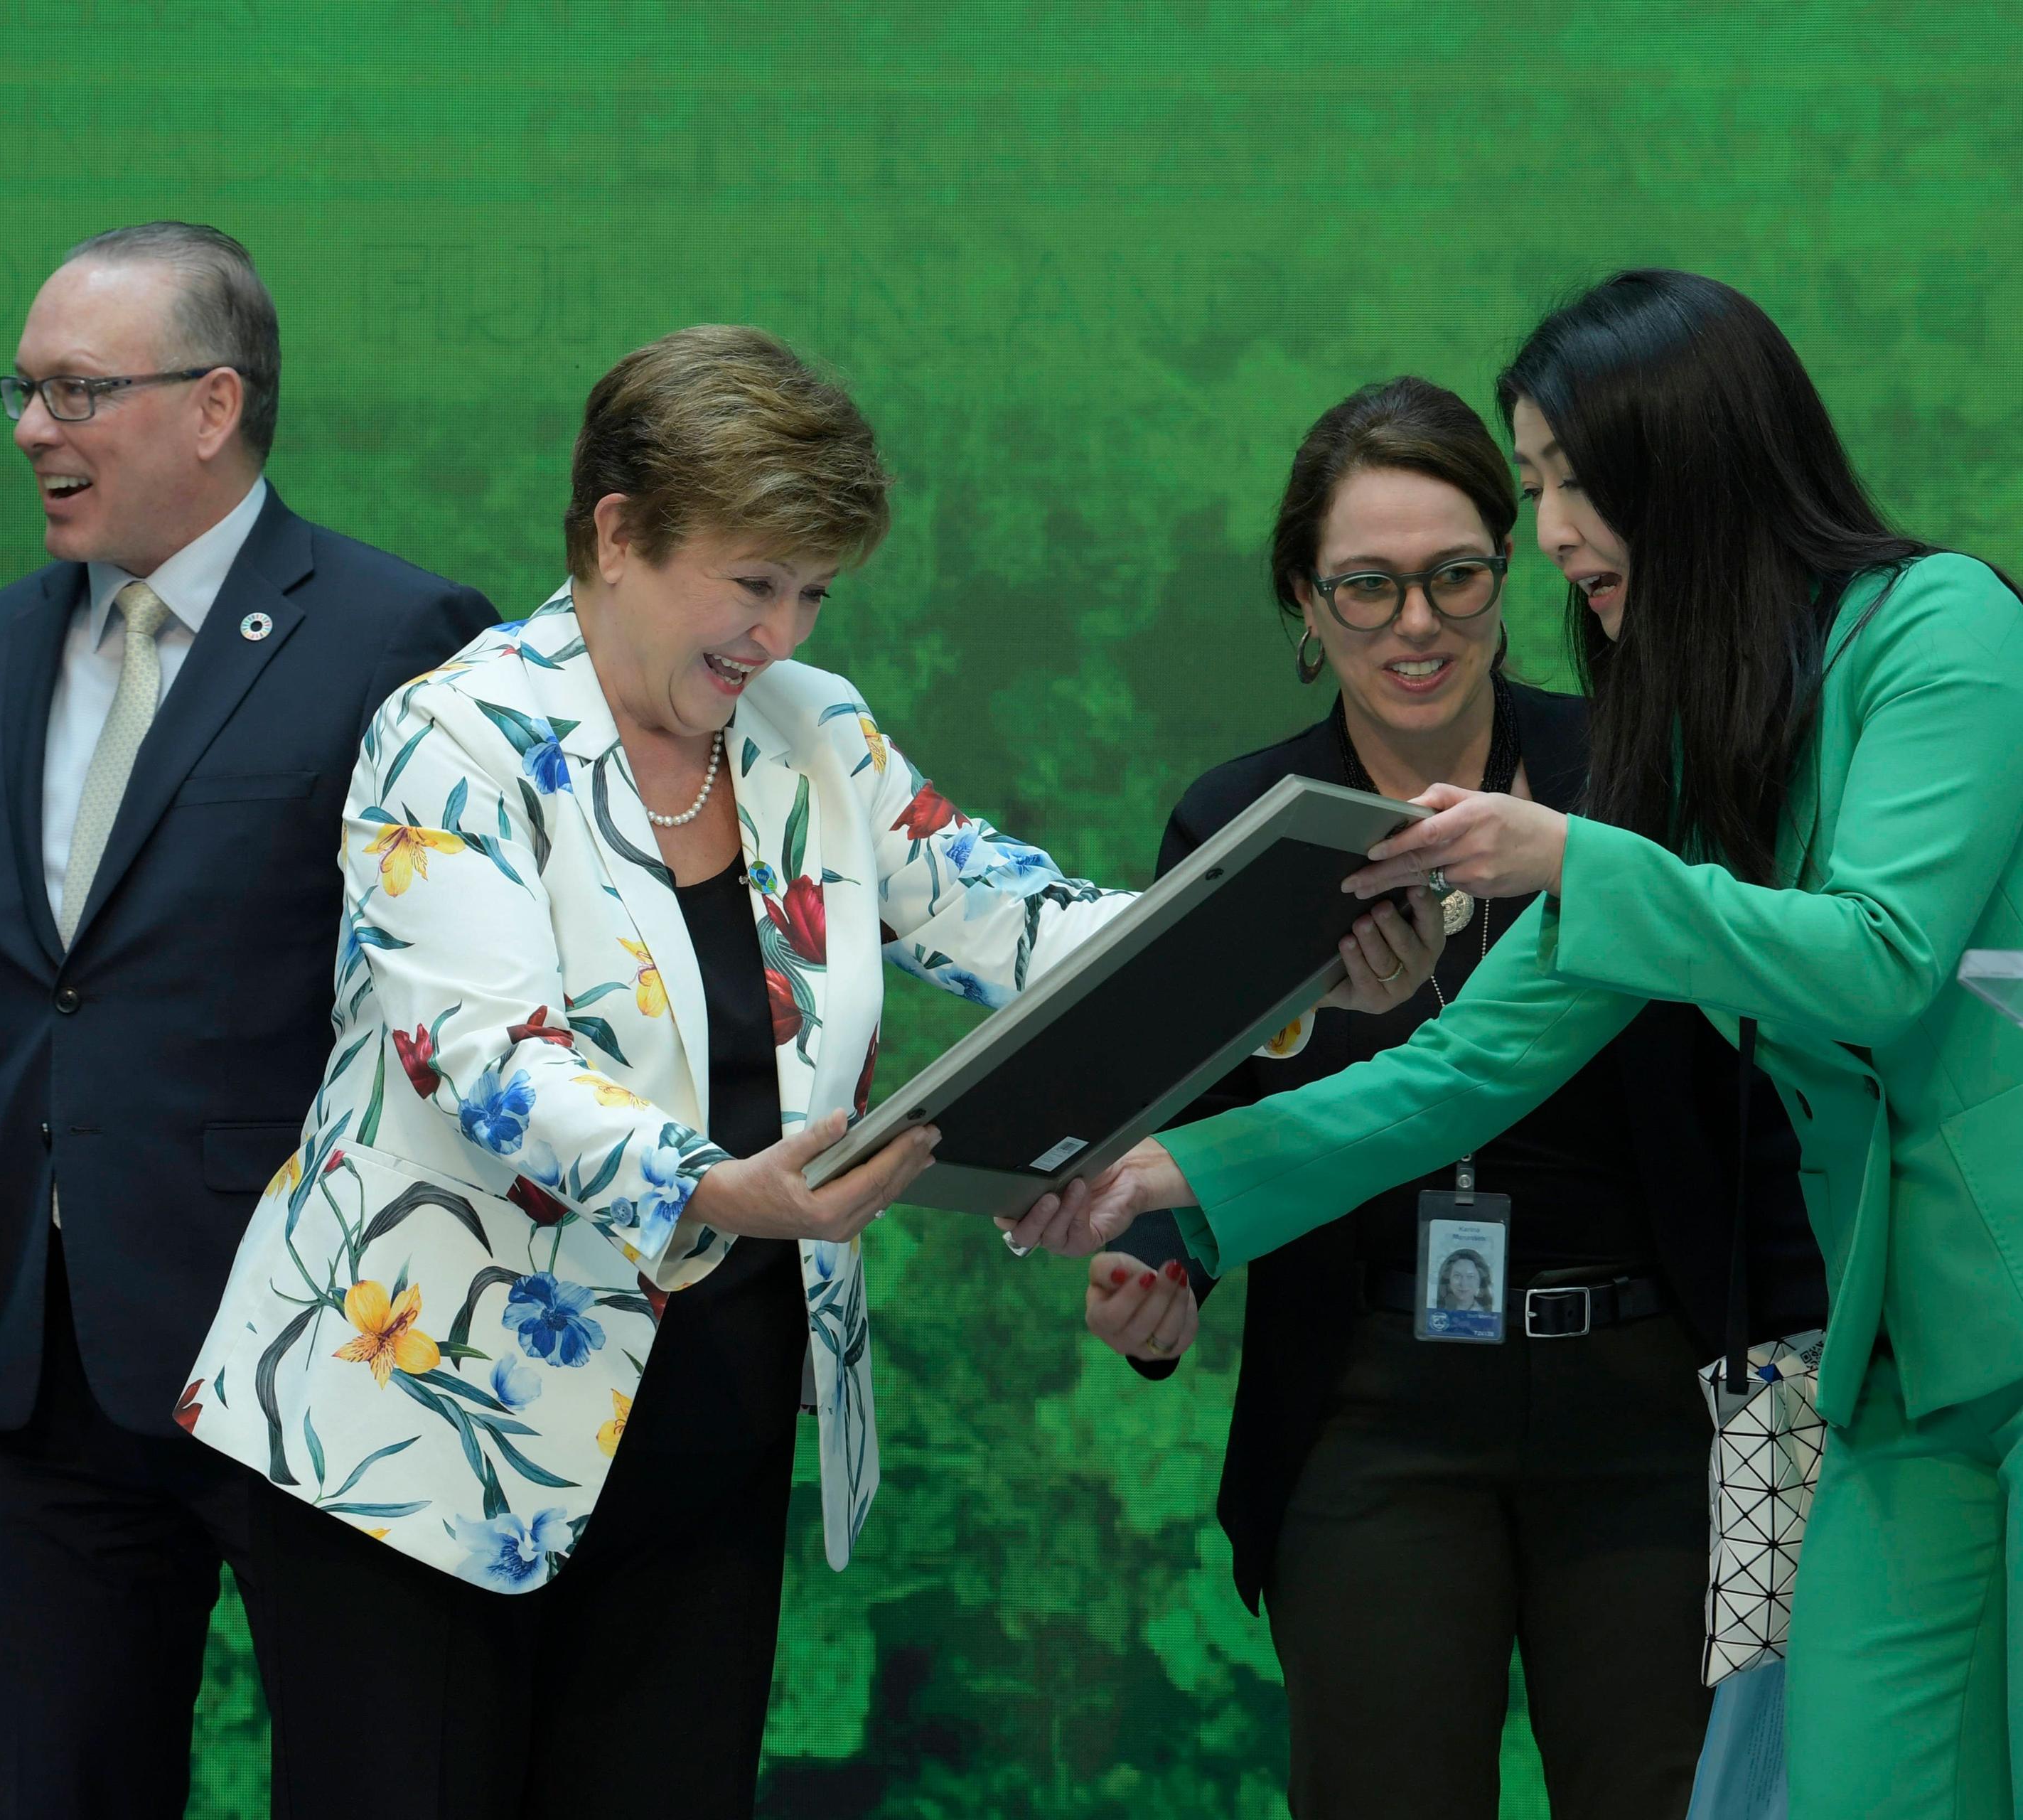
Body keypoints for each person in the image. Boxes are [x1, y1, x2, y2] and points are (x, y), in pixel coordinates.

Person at [176, 324, 1444, 1820]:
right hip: (419, 1436)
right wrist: (716, 1182)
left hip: (709, 1431)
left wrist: (1290, 959)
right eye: (753, 581)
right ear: (616, 533)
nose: (779, 631)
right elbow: (479, 1056)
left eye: (813, 589)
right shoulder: (451, 735)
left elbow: (1022, 919)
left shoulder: (815, 732)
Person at [1075, 272, 2023, 1820]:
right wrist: (1170, 1177)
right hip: (1896, 1376)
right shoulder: (1684, 730)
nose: (1558, 534)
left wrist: (1573, 856)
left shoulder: (1941, 628)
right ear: (1303, 602)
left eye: (1560, 487)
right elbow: (1473, 1064)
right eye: (1538, 487)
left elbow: (1883, 958)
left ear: (1687, 458)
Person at [1014, 376, 1823, 1820]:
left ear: (1507, 568)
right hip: (1372, 1400)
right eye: (1368, 587)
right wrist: (1161, 1271)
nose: (1418, 622)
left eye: (1456, 574)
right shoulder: (1235, 826)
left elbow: (1747, 1103)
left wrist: (1790, 1386)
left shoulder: (1633, 764)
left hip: (1656, 1398)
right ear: (1303, 604)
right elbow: (1179, 1128)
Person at [0, 223, 493, 1816]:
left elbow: (471, 1010)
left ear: (215, 406)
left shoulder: (403, 640)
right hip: (49, 1369)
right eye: (22, 390)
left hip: (322, 1355)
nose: (32, 426)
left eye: (76, 389)